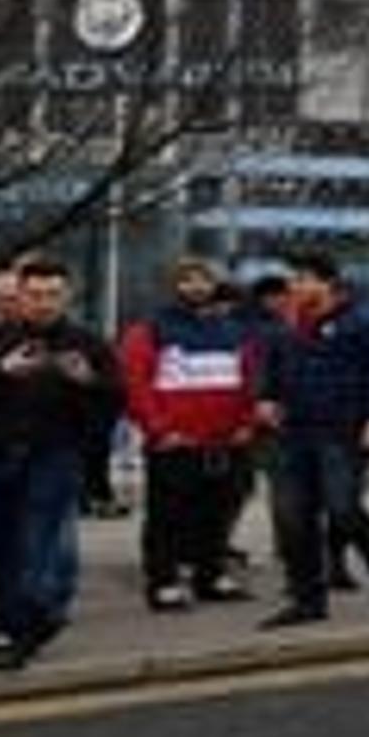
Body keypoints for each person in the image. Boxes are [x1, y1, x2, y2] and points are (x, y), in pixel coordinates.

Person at [0, 254, 122, 673]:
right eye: (34, 295)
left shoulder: (87, 343)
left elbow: (114, 401)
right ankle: (31, 619)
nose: (43, 303)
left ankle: (4, 633)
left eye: (53, 295)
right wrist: (1, 371)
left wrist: (87, 383)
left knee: (34, 549)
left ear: (68, 296)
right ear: (18, 295)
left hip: (51, 457)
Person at [253, 248, 369, 627]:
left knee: (344, 510)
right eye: (294, 279)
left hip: (341, 430)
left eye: (304, 279)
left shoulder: (361, 322)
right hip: (295, 432)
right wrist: (267, 399)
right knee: (293, 517)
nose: (295, 286)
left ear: (327, 284)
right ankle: (308, 598)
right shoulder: (286, 326)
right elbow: (271, 370)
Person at [118, 255, 263, 610]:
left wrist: (247, 424)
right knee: (167, 516)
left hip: (226, 439)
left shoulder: (234, 331)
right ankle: (163, 581)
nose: (196, 287)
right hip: (175, 441)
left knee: (218, 512)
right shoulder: (149, 331)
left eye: (203, 280)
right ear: (173, 285)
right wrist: (158, 430)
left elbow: (249, 380)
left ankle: (211, 575)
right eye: (187, 280)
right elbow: (135, 384)